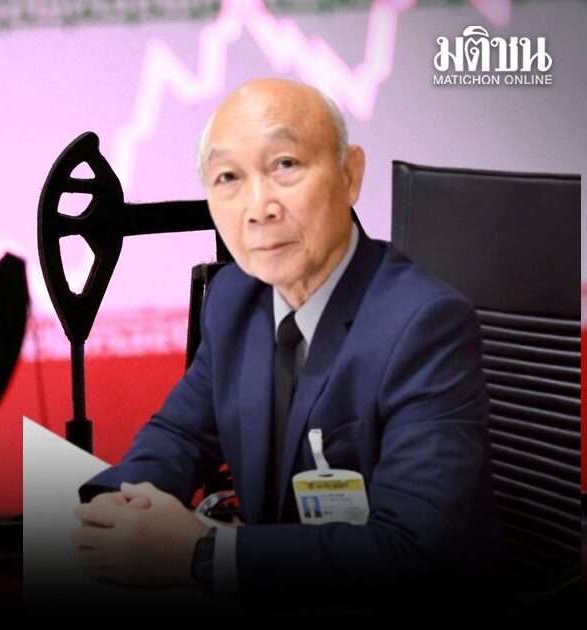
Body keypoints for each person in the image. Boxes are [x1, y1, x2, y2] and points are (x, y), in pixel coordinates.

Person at [71, 78, 508, 609]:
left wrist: (202, 551)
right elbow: (181, 432)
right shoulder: (234, 296)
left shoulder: (426, 325)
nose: (259, 207)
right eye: (228, 177)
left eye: (285, 165)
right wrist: (114, 510)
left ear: (350, 175)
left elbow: (408, 553)